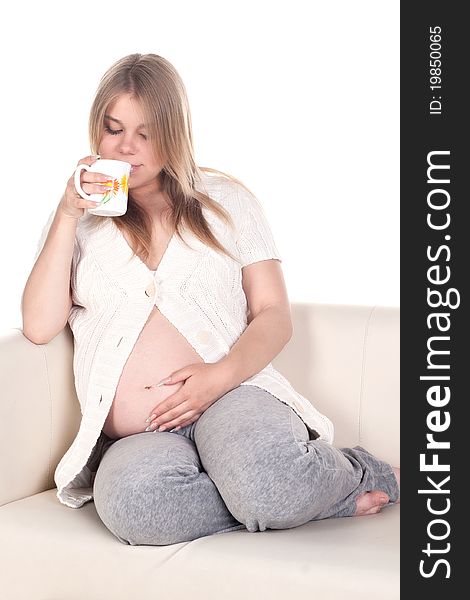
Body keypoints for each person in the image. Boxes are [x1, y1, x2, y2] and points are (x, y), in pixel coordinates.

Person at [21, 53, 400, 546]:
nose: (128, 147)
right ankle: (287, 494)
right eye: (114, 130)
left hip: (232, 395)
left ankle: (356, 472)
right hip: (142, 436)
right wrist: (67, 214)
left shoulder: (226, 201)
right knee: (135, 508)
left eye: (147, 132)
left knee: (267, 481)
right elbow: (38, 325)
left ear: (174, 132)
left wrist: (216, 378)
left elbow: (273, 314)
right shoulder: (79, 223)